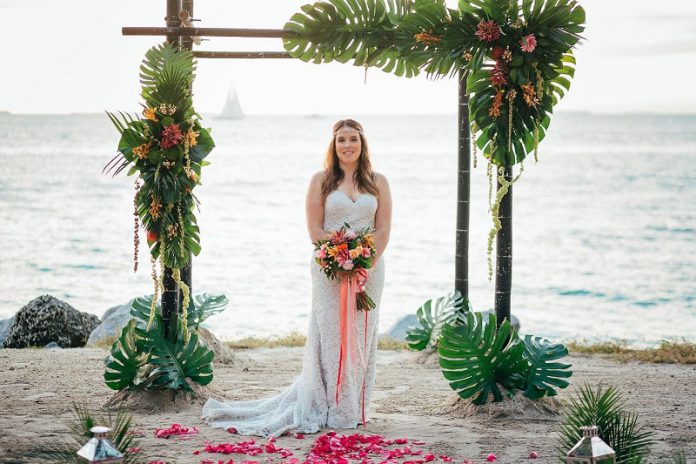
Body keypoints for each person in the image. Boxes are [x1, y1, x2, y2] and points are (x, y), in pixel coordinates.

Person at [202, 119, 392, 437]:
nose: (347, 145)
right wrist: (339, 257)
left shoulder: (378, 181)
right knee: (330, 335)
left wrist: (365, 264)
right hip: (328, 267)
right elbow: (315, 230)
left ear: (362, 144)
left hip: (369, 271)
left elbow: (383, 228)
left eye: (353, 140)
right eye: (341, 140)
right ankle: (329, 404)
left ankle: (353, 407)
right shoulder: (321, 181)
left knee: (362, 334)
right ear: (333, 145)